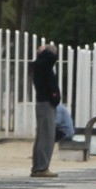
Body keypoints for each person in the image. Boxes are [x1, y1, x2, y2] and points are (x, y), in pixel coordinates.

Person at [29, 42, 61, 178]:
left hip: (43, 103)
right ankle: (42, 167)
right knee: (46, 136)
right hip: (46, 103)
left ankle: (38, 167)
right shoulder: (43, 65)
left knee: (42, 136)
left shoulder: (41, 65)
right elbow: (52, 58)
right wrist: (45, 51)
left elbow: (50, 59)